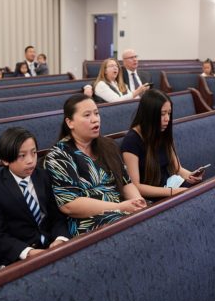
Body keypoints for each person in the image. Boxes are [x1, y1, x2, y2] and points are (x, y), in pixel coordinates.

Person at [43, 94, 147, 236]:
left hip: (122, 207)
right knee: (133, 227)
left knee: (153, 215)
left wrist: (138, 203)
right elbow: (69, 205)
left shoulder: (109, 146)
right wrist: (119, 207)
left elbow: (126, 183)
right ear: (70, 122)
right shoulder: (59, 155)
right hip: (87, 220)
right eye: (87, 115)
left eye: (96, 113)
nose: (95, 119)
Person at [0, 127, 71, 266]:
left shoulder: (43, 176)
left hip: (50, 247)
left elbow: (57, 217)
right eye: (22, 156)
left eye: (34, 153)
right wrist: (28, 252)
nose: (31, 161)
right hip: (19, 256)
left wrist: (60, 239)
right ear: (5, 160)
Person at [121, 89, 204, 200]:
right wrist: (172, 192)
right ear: (149, 114)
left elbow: (177, 169)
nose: (167, 119)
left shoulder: (163, 132)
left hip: (170, 186)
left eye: (169, 113)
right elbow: (135, 186)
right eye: (162, 114)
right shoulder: (131, 141)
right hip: (153, 196)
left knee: (202, 190)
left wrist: (191, 176)